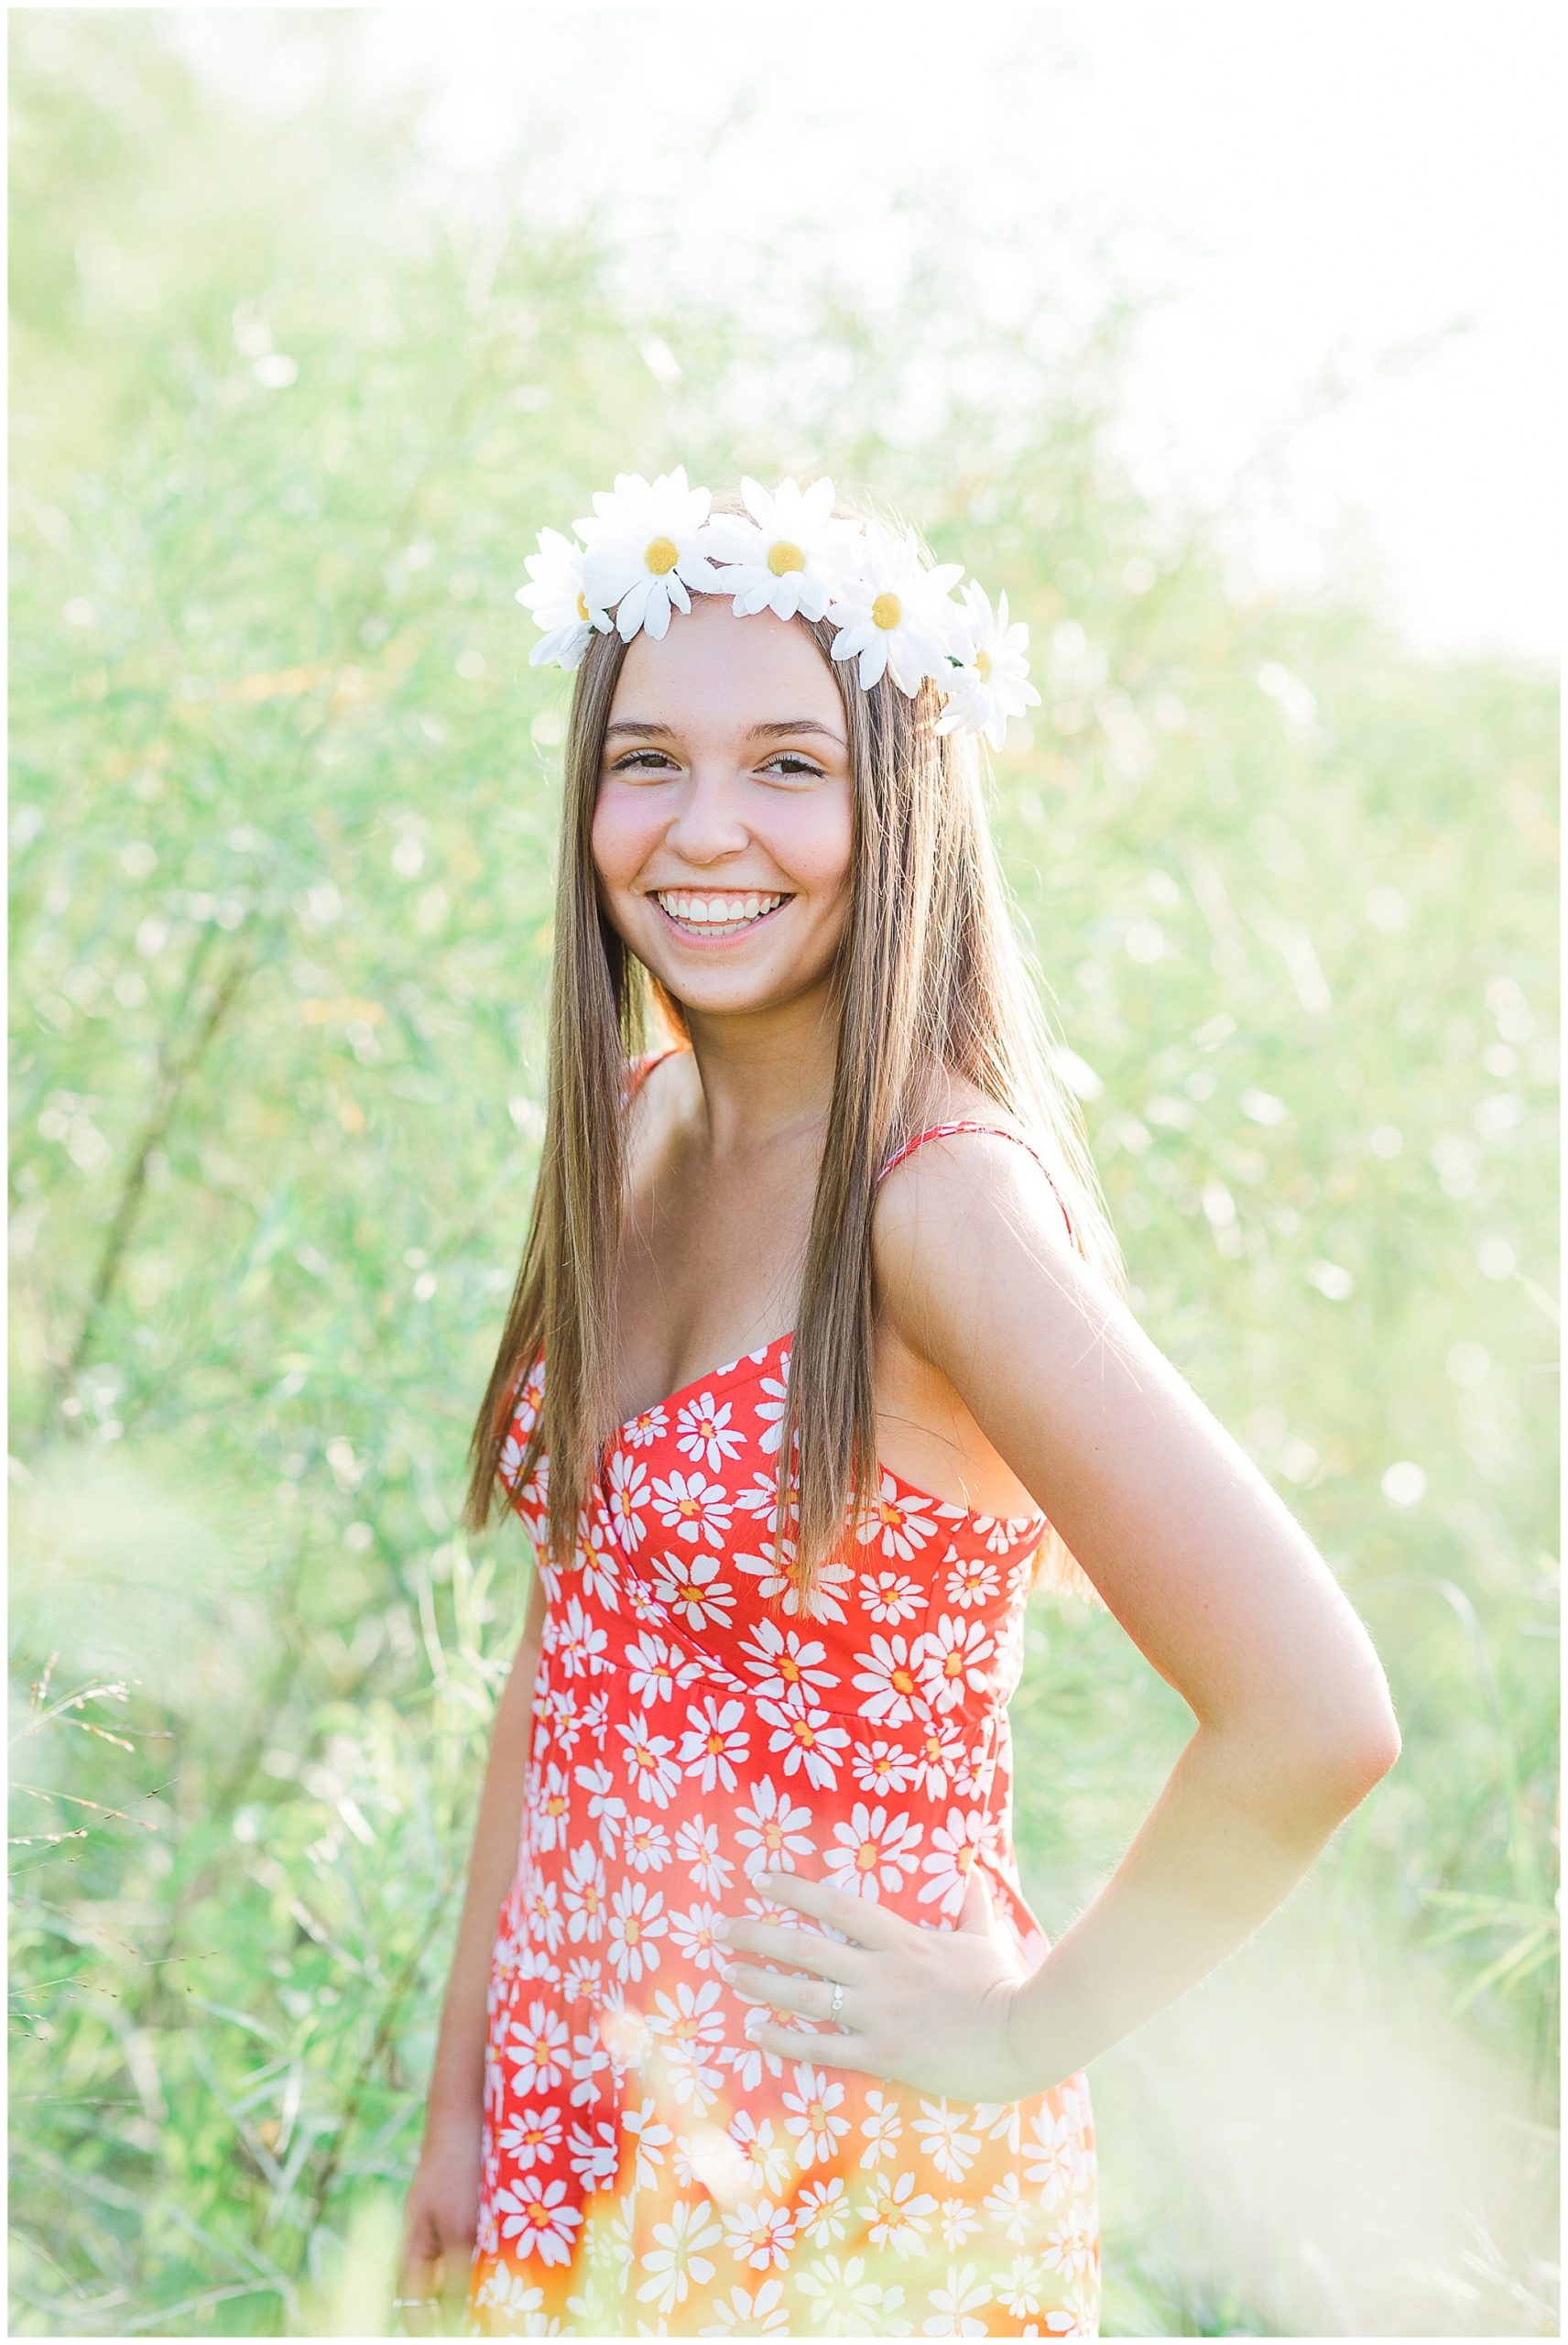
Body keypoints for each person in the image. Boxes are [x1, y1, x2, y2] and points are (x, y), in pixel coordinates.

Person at [396, 474, 1401, 2338]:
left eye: (788, 763)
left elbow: (1312, 1708)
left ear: (900, 798)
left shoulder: (936, 1204)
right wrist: (464, 2092)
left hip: (836, 2175)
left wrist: (1026, 2024)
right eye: (647, 760)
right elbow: (574, 1640)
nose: (705, 830)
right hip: (573, 2126)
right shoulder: (636, 1129)